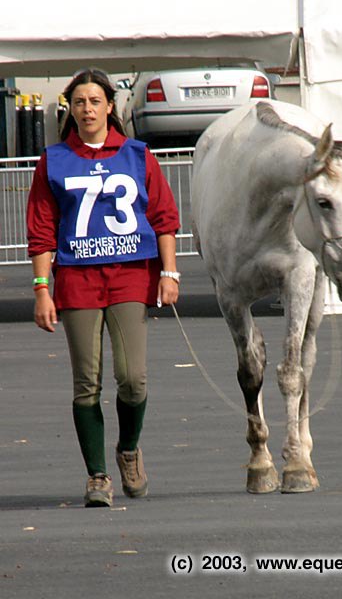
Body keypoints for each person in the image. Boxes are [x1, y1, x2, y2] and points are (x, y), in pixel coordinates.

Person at [26, 68, 181, 507]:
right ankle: (97, 476)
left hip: (130, 274)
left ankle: (128, 449)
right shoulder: (54, 161)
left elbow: (164, 218)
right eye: (79, 102)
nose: (87, 109)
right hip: (77, 280)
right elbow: (41, 231)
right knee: (86, 382)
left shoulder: (136, 155)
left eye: (95, 101)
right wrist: (41, 289)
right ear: (70, 109)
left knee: (132, 379)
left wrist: (169, 273)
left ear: (110, 106)